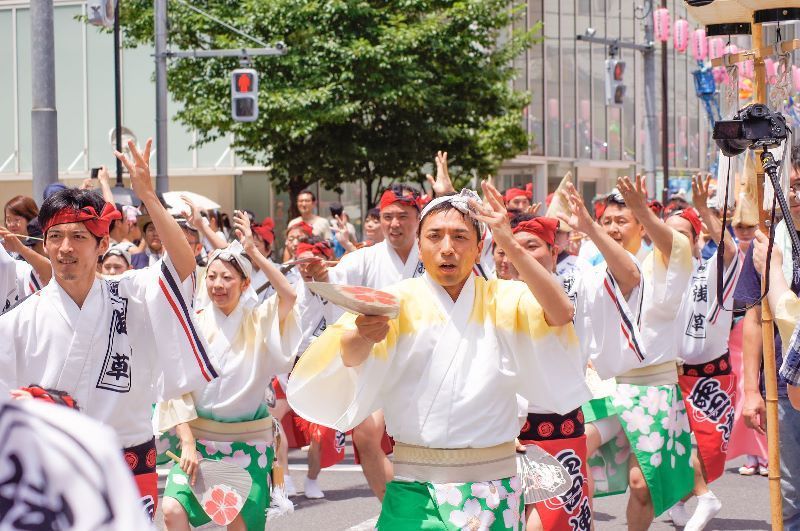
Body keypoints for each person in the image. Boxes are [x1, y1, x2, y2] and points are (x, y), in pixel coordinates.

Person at [288, 183, 583, 529]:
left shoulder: (506, 298)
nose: (447, 248)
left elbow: (561, 314)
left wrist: (511, 243)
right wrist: (363, 335)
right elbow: (348, 354)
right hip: (416, 484)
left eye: (460, 237)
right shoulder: (397, 299)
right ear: (420, 243)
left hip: (490, 487)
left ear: (478, 249)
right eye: (435, 236)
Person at [0, 139, 219, 519]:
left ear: (103, 244)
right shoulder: (17, 321)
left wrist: (148, 194)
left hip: (128, 464)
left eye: (79, 237)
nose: (65, 248)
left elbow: (183, 265)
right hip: (51, 472)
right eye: (55, 237)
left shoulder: (131, 292)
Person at [497, 183, 642, 531]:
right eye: (505, 249)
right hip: (500, 436)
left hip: (558, 431)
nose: (515, 255)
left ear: (554, 249)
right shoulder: (488, 293)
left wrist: (591, 228)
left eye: (530, 246)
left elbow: (630, 277)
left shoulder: (577, 285)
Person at [159, 211, 299, 531]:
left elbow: (289, 295)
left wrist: (253, 252)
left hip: (246, 443)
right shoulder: (193, 320)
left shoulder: (258, 319)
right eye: (212, 276)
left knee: (240, 526)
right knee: (171, 509)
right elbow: (174, 385)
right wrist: (188, 442)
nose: (217, 285)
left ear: (245, 283)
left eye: (227, 278)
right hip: (197, 441)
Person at [582, 175, 694, 531]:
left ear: (640, 226)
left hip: (652, 386)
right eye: (607, 221)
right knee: (575, 448)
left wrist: (643, 210)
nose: (613, 228)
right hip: (606, 386)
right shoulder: (591, 273)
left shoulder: (661, 263)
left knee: (640, 484)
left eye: (622, 220)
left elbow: (676, 247)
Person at [666, 176, 742, 531]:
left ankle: (685, 500)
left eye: (683, 233)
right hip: (672, 377)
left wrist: (704, 211)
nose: (673, 240)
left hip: (711, 377)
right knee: (678, 447)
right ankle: (696, 499)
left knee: (709, 454)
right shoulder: (652, 279)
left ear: (697, 241)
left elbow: (729, 250)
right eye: (666, 233)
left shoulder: (708, 274)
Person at [735, 144, 800, 530]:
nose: (793, 192)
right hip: (783, 384)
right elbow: (755, 314)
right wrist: (751, 389)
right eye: (790, 185)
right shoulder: (769, 240)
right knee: (790, 492)